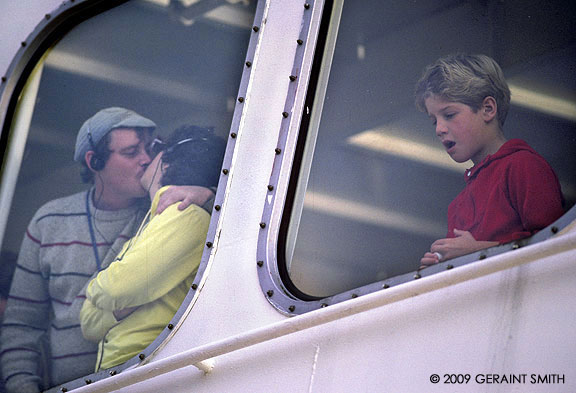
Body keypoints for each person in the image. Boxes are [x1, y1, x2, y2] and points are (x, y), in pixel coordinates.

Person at [0, 108, 214, 393]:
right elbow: (20, 324)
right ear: (95, 161)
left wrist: (209, 193)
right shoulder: (48, 221)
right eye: (131, 152)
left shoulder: (166, 213)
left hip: (137, 382)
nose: (146, 159)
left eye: (150, 149)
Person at [80, 125, 225, 371]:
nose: (146, 158)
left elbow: (115, 288)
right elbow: (88, 325)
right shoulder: (159, 221)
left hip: (141, 367)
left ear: (166, 164)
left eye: (156, 148)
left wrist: (95, 286)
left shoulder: (185, 217)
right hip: (126, 368)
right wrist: (117, 308)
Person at [414, 54, 565, 266]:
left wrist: (477, 251)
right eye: (434, 121)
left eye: (449, 115)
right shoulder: (457, 206)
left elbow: (558, 246)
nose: (439, 129)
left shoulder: (524, 166)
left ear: (488, 109)